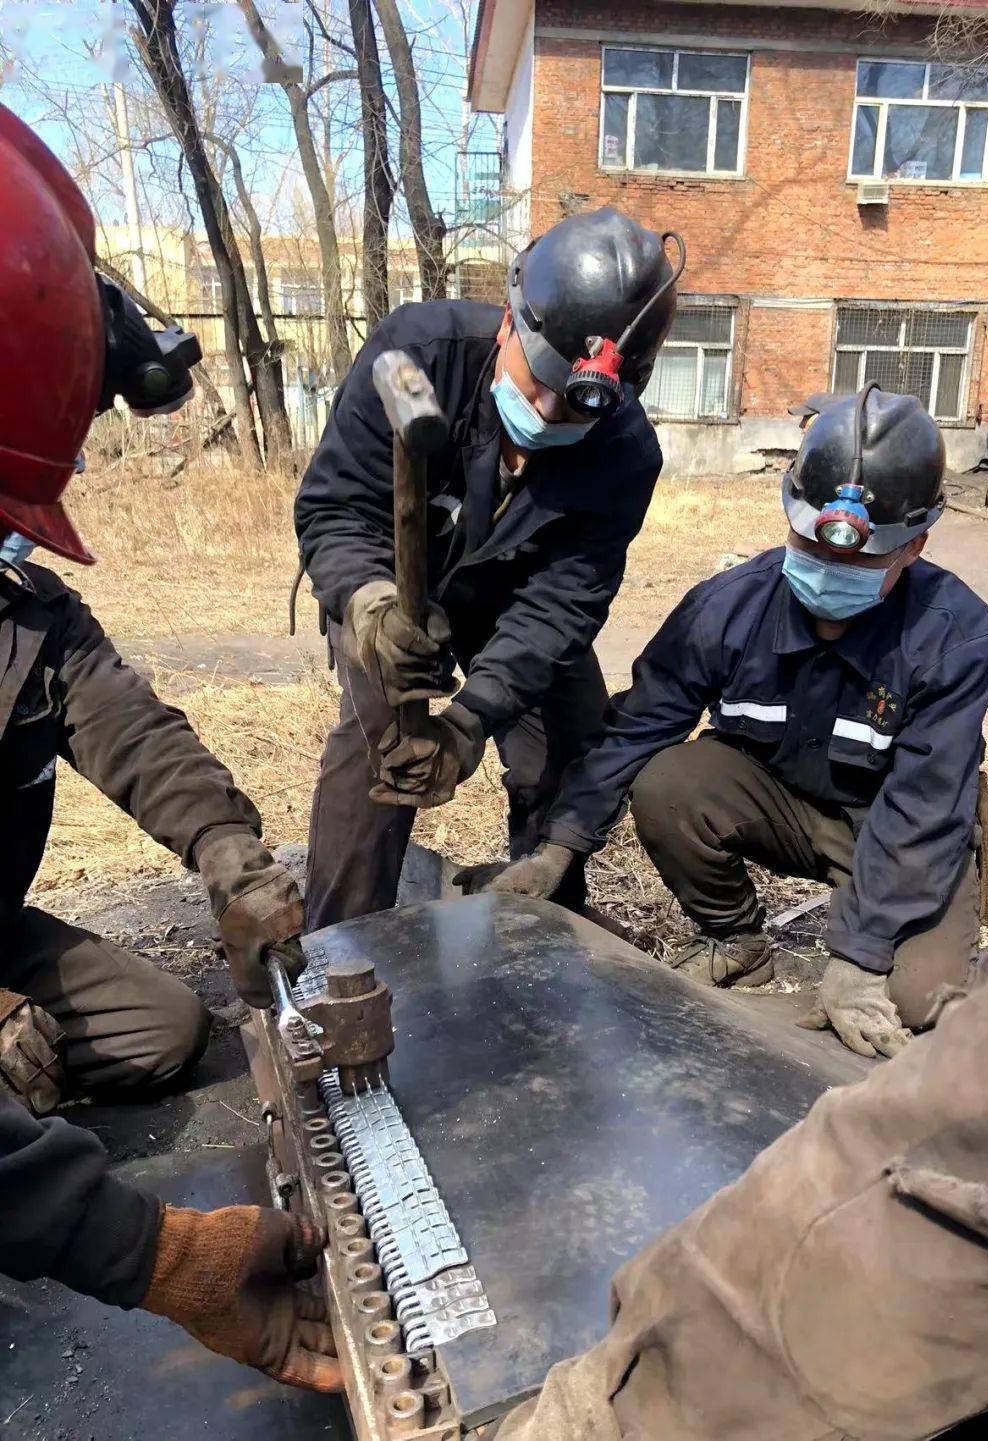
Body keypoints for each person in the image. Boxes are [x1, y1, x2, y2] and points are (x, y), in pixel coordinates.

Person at [0, 104, 339, 1392]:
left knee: (153, 1026)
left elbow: (132, 728)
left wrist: (231, 852)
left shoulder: (24, 616)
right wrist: (165, 1255)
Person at [476, 386, 988, 1060]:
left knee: (917, 1000)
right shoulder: (726, 610)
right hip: (781, 804)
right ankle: (739, 940)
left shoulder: (956, 636)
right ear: (790, 511)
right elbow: (638, 726)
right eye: (814, 547)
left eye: (861, 560)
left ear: (916, 543)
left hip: (893, 828)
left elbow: (924, 809)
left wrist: (860, 954)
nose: (832, 571)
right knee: (670, 780)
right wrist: (560, 846)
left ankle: (869, 950)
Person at [489, 903, 988, 1441]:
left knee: (920, 988)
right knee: (679, 786)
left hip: (901, 860)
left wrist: (621, 1408)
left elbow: (969, 1135)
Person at [294, 207, 683, 928]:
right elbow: (335, 511)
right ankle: (337, 947)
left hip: (514, 603)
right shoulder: (416, 352)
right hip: (387, 591)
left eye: (572, 405)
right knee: (386, 752)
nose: (542, 411)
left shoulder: (625, 455)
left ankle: (540, 926)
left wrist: (472, 720)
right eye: (534, 380)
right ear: (510, 323)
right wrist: (372, 606)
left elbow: (562, 603)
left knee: (565, 740)